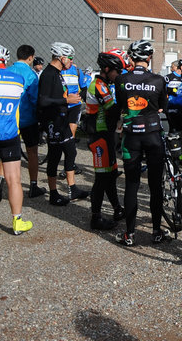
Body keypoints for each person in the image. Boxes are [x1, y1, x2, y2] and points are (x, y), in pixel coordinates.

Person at [114, 40, 169, 246]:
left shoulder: (121, 79)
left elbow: (121, 106)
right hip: (153, 135)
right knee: (155, 185)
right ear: (149, 58)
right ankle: (156, 231)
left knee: (131, 184)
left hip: (131, 137)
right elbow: (163, 106)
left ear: (130, 57)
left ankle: (129, 234)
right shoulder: (158, 79)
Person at [0, 44, 33, 237]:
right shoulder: (18, 79)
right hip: (10, 133)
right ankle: (17, 222)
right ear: (5, 60)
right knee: (14, 180)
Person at [38, 42, 89, 206]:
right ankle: (53, 193)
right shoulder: (48, 74)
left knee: (70, 152)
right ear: (62, 57)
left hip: (61, 118)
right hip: (53, 121)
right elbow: (43, 100)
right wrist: (66, 100)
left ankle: (72, 188)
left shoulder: (58, 73)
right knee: (55, 156)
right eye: (70, 59)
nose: (72, 62)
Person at [86, 49, 128, 230]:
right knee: (101, 178)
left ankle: (117, 209)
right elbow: (113, 109)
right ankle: (95, 217)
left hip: (106, 135)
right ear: (107, 68)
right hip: (99, 136)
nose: (118, 75)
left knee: (110, 176)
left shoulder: (104, 83)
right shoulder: (98, 85)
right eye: (117, 71)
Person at [7, 45, 46, 198]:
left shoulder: (8, 71)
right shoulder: (30, 74)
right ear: (30, 57)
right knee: (32, 152)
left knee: (7, 154)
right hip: (28, 118)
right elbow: (34, 98)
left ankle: (0, 182)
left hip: (10, 119)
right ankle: (33, 185)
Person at [164, 59, 182, 134]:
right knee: (173, 129)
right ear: (181, 68)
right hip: (171, 107)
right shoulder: (168, 77)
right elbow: (163, 91)